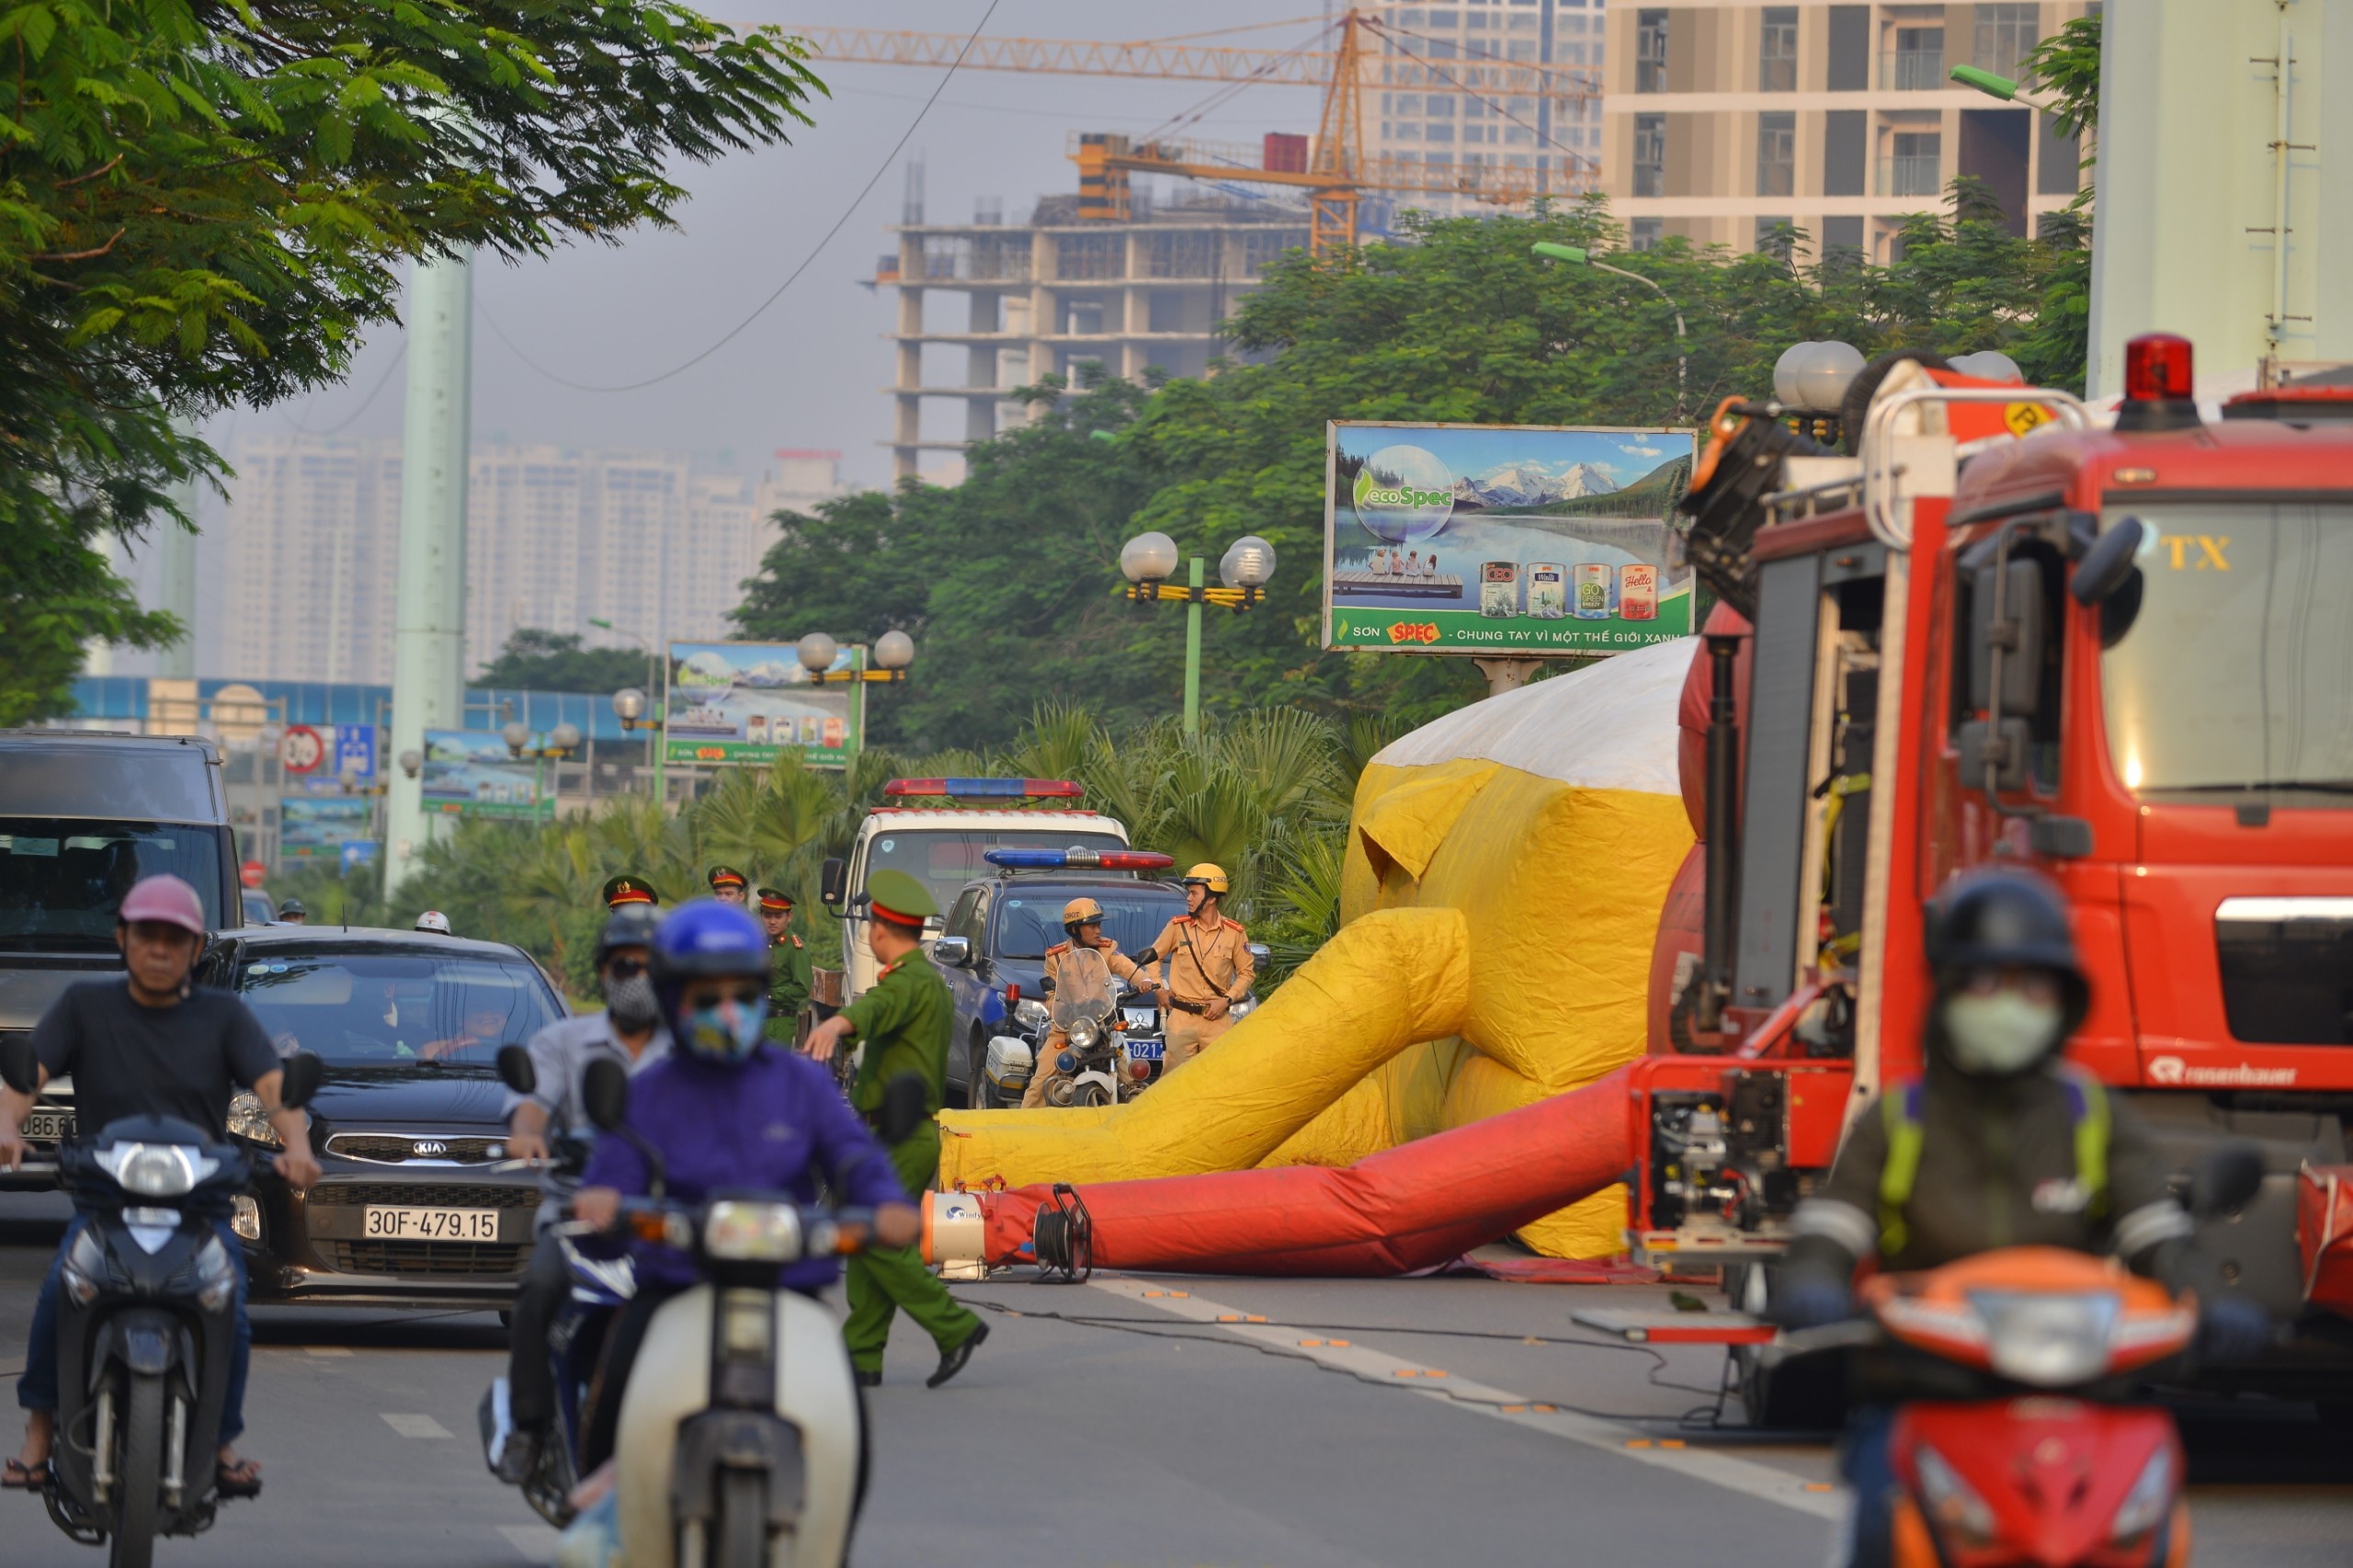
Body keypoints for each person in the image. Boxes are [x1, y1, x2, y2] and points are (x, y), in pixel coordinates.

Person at [1774, 869, 2268, 1568]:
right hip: (1927, 1382)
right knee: (1879, 1505)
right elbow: (1836, 1222)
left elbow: (2158, 1235)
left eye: (2033, 986)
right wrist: (1812, 1281)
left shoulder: (2093, 1118)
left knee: (2152, 1508)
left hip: (2083, 1389)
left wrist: (2214, 1303)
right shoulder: (1901, 1121)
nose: (2010, 1004)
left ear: (2062, 1002)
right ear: (1949, 992)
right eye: (1987, 983)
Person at [569, 901, 916, 1483]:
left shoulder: (802, 1084)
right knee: (615, 1387)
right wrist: (603, 1203)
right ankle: (603, 1507)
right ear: (674, 1003)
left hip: (788, 1286)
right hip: (676, 1284)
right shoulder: (648, 1092)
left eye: (742, 994)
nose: (727, 1011)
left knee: (848, 1424)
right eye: (707, 998)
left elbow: (853, 1154)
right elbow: (614, 1171)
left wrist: (887, 1205)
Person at [0, 875, 322, 1496]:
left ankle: (222, 1439)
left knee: (230, 1303)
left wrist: (300, 1148)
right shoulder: (83, 1006)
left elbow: (275, 1090)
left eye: (174, 939)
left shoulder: (225, 1015)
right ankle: (39, 1436)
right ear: (123, 938)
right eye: (146, 934)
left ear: (195, 949)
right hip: (105, 1203)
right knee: (59, 1293)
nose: (158, 949)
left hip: (197, 1208)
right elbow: (25, 1077)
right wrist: (8, 1130)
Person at [490, 904, 670, 1485]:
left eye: (650, 966)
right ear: (603, 972)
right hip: (577, 1218)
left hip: (667, 1222)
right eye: (625, 965)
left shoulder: (692, 1050)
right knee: (538, 1291)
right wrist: (528, 1133)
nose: (637, 978)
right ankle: (530, 1427)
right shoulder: (563, 1041)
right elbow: (532, 1104)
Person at [804, 870, 988, 1388]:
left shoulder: (908, 981)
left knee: (880, 1243)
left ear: (882, 929)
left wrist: (840, 1022)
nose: (867, 935)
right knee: (866, 1242)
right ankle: (861, 1355)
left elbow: (878, 1007)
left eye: (870, 926)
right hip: (897, 1133)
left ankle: (953, 1327)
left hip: (900, 1136)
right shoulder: (921, 978)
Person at [1021, 896, 1148, 1109]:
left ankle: (1142, 1120)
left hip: (1102, 1025)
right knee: (1041, 1079)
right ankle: (1021, 1129)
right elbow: (1053, 994)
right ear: (1075, 929)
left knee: (1130, 1077)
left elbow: (1127, 967)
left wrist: (1144, 980)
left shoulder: (1107, 948)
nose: (1098, 930)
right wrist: (1056, 1009)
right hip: (1067, 1027)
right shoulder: (1056, 957)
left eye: (1098, 924)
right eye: (1092, 926)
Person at [1146, 863, 1256, 1072]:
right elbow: (1153, 957)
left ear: (1212, 898)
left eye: (1194, 893)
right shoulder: (1177, 927)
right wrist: (1158, 987)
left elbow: (1246, 973)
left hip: (1217, 1020)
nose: (1188, 898)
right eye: (1188, 893)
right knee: (1173, 1084)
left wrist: (1227, 1000)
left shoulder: (1235, 932)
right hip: (1181, 1019)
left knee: (1219, 1080)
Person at [757, 886, 812, 1045]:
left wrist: (771, 994)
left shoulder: (794, 948)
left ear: (789, 917)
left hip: (780, 1022)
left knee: (774, 1068)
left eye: (778, 916)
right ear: (761, 916)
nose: (772, 921)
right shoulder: (759, 943)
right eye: (767, 916)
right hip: (757, 1020)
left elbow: (802, 988)